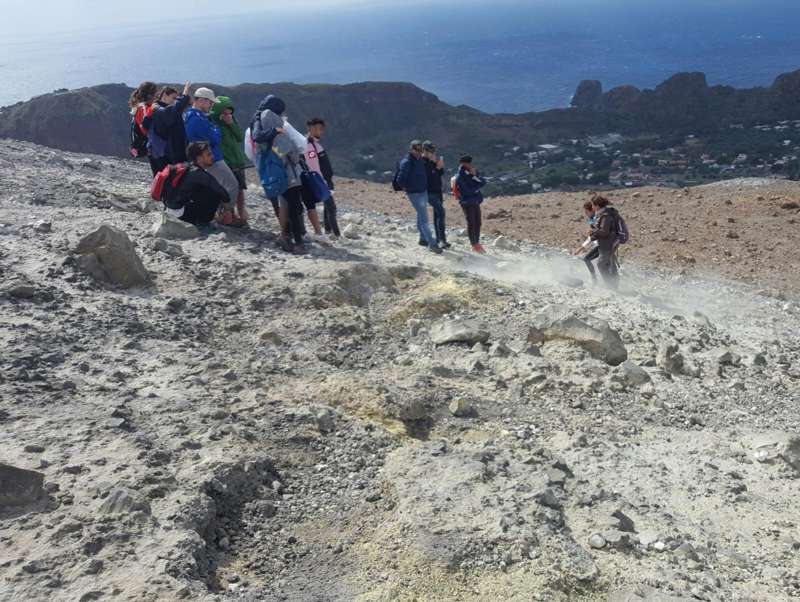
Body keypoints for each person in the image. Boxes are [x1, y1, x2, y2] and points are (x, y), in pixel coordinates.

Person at [254, 95, 308, 253]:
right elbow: (290, 151)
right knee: (294, 206)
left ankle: (286, 237)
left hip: (275, 172)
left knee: (286, 205)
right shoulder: (275, 128)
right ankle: (297, 242)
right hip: (289, 173)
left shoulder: (260, 126)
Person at [183, 87, 241, 224]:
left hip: (203, 157)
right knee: (232, 185)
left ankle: (220, 215)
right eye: (210, 103)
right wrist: (216, 128)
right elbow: (215, 139)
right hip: (212, 157)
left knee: (215, 186)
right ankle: (224, 215)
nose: (211, 106)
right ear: (202, 100)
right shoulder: (197, 119)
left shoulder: (191, 116)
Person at [168, 141, 233, 227]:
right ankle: (205, 222)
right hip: (181, 214)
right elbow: (223, 194)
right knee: (214, 194)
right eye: (209, 155)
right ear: (199, 158)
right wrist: (228, 210)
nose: (212, 157)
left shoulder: (185, 167)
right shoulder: (199, 174)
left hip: (171, 209)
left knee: (205, 191)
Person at [396, 140, 442, 254]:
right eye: (417, 150)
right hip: (415, 193)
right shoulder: (406, 162)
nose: (419, 152)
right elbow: (400, 179)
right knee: (424, 219)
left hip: (423, 191)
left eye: (420, 150)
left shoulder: (420, 160)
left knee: (421, 215)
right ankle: (432, 243)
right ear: (411, 149)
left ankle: (422, 239)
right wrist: (406, 188)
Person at [210, 96, 249, 226]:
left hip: (237, 160)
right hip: (224, 160)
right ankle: (229, 215)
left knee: (240, 189)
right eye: (224, 112)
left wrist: (231, 123)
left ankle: (241, 213)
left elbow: (240, 137)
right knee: (228, 189)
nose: (227, 115)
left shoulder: (232, 121)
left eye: (230, 112)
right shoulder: (211, 121)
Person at [306, 118, 340, 239]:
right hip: (321, 181)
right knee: (331, 207)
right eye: (317, 128)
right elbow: (313, 165)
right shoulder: (309, 145)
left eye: (321, 129)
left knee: (327, 207)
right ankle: (336, 234)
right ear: (310, 128)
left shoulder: (315, 144)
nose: (320, 131)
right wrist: (323, 181)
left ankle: (328, 231)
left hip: (326, 180)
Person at [151, 82, 192, 166]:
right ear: (165, 95)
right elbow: (172, 112)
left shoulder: (163, 109)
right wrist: (184, 95)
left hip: (171, 152)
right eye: (173, 98)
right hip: (166, 154)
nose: (174, 101)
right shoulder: (157, 109)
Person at [455, 155, 487, 253]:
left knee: (478, 222)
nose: (470, 165)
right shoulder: (460, 176)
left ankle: (477, 242)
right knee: (471, 223)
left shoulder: (471, 173)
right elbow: (467, 191)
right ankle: (473, 244)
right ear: (462, 163)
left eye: (470, 163)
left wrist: (475, 176)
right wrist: (476, 188)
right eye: (467, 163)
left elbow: (483, 182)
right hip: (466, 202)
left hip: (475, 200)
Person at [421, 141, 449, 248]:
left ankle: (439, 239)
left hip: (437, 191)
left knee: (437, 214)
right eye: (429, 151)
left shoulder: (432, 161)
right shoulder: (422, 162)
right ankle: (441, 239)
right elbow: (426, 175)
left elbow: (439, 174)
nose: (432, 153)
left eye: (433, 151)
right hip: (428, 192)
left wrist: (440, 167)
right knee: (441, 212)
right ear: (424, 151)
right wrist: (434, 166)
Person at [589, 194, 621, 289]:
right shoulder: (606, 214)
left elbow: (604, 231)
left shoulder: (605, 216)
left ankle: (610, 286)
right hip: (610, 243)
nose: (592, 207)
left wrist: (593, 231)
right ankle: (614, 285)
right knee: (610, 263)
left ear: (597, 206)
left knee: (601, 264)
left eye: (593, 205)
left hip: (608, 244)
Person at [129, 82, 158, 174]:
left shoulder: (140, 107)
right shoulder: (143, 108)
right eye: (155, 94)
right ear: (149, 95)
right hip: (152, 146)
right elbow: (145, 128)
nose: (157, 96)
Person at [572, 200, 600, 282]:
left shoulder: (595, 220)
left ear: (592, 210)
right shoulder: (594, 219)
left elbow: (592, 237)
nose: (585, 214)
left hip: (601, 245)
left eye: (586, 211)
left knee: (586, 259)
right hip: (606, 243)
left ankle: (594, 279)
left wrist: (581, 248)